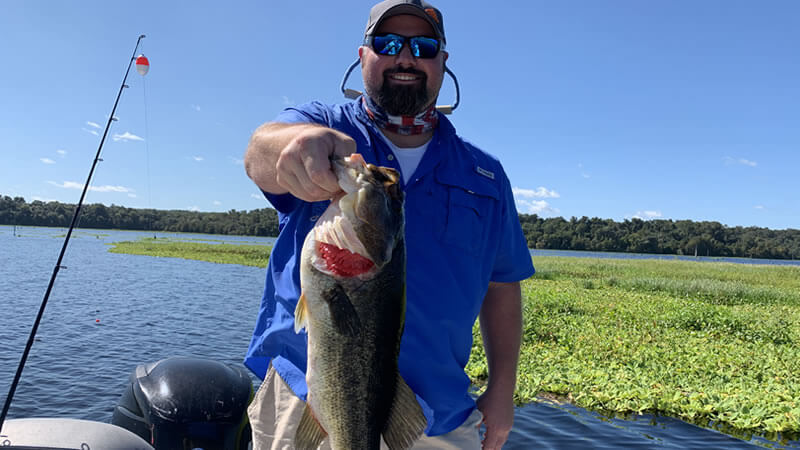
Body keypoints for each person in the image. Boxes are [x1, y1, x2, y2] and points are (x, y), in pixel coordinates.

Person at [243, 1, 535, 448]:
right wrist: (296, 146)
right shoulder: (322, 126)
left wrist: (501, 391)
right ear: (363, 56)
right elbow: (261, 153)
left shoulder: (485, 176)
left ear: (442, 62)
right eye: (388, 43)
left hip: (440, 414)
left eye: (423, 46)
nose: (405, 57)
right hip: (308, 402)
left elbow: (502, 286)